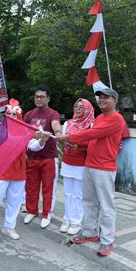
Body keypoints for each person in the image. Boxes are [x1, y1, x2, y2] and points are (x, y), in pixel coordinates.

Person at [57, 88, 124, 257]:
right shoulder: (100, 117)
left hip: (104, 168)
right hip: (90, 164)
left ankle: (107, 240)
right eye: (100, 97)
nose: (101, 100)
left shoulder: (116, 118)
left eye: (106, 98)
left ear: (114, 101)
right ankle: (89, 232)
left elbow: (94, 133)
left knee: (106, 205)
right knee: (89, 201)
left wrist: (69, 138)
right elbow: (94, 139)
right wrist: (78, 146)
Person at [0, 103, 49, 241]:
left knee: (14, 202)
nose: (12, 117)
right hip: (2, 172)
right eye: (10, 115)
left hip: (19, 173)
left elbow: (34, 146)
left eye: (15, 115)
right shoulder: (0, 131)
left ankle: (9, 227)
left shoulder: (25, 132)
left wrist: (42, 139)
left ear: (19, 116)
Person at [23, 85, 62, 228]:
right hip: (32, 157)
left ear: (48, 99)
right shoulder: (29, 114)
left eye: (41, 97)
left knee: (48, 187)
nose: (38, 99)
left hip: (48, 158)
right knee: (31, 187)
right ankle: (32, 210)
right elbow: (23, 132)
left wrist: (58, 133)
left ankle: (47, 214)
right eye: (36, 96)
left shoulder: (52, 113)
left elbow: (56, 124)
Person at [59, 98, 94, 235]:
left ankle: (76, 221)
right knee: (68, 193)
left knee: (78, 194)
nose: (78, 109)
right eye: (76, 106)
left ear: (87, 109)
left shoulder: (91, 125)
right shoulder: (67, 123)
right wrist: (64, 143)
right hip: (67, 161)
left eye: (81, 107)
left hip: (81, 163)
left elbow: (92, 144)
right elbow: (62, 141)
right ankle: (66, 219)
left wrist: (78, 147)